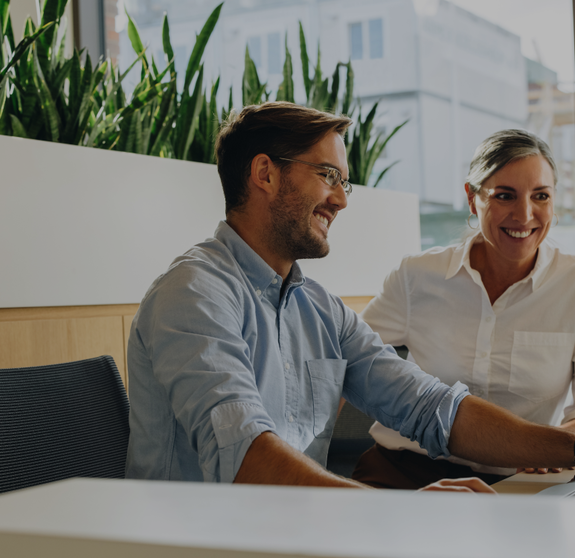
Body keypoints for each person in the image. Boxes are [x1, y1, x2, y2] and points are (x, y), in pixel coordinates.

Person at [125, 106, 575, 491]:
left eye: (344, 181)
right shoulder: (193, 293)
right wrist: (394, 512)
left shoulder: (320, 309)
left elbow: (429, 407)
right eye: (328, 176)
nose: (341, 199)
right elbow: (244, 454)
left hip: (299, 533)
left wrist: (569, 449)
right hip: (198, 543)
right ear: (265, 173)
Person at [352, 129, 575, 489]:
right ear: (473, 199)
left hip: (516, 481)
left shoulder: (572, 286)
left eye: (541, 196)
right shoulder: (416, 277)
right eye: (505, 196)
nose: (525, 214)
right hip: (403, 471)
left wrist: (553, 447)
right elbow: (344, 363)